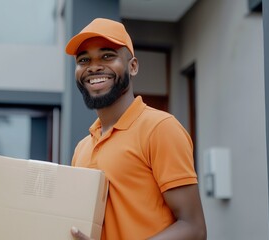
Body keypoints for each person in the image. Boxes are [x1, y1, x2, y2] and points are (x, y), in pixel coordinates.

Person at [65, 18, 207, 240]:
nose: (93, 66)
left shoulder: (159, 128)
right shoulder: (81, 149)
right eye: (84, 60)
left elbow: (194, 228)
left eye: (107, 56)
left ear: (133, 66)